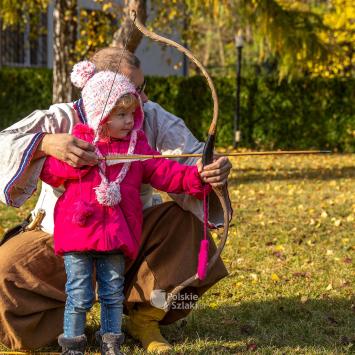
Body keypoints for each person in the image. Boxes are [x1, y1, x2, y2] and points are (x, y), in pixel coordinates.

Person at [0, 47, 232, 353]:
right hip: (64, 237)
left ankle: (147, 315)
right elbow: (6, 143)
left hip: (129, 234)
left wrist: (207, 170)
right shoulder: (62, 117)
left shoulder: (148, 115)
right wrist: (45, 143)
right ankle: (67, 325)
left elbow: (184, 160)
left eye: (141, 88)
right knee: (5, 275)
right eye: (132, 90)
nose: (142, 99)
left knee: (186, 225)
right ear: (98, 86)